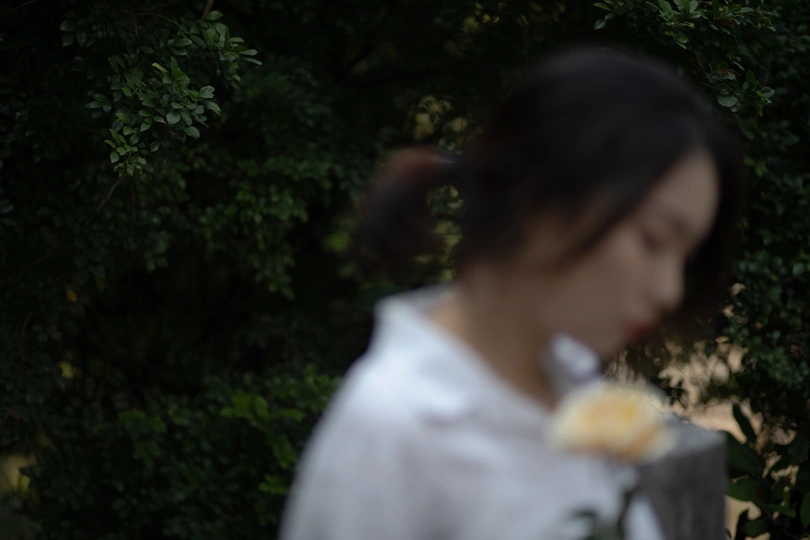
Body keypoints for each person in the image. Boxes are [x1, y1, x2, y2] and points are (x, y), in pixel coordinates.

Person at [279, 45, 743, 540]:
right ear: (539, 202)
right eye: (653, 240)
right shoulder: (393, 428)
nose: (670, 290)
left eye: (684, 259)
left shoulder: (572, 382)